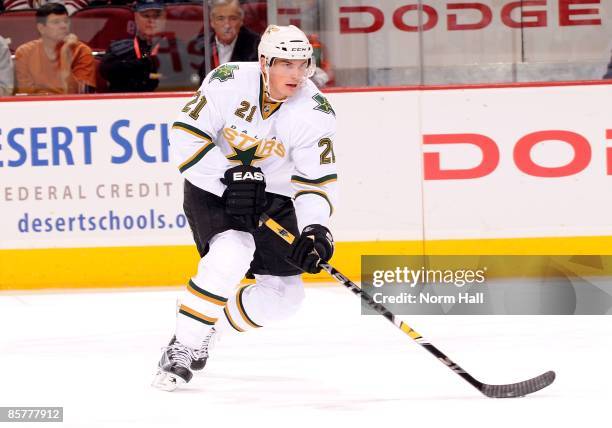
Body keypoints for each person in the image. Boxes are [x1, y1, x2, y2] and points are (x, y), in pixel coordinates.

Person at [152, 24, 338, 391]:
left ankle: (208, 326)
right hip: (214, 186)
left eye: (303, 65)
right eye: (287, 64)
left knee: (285, 298)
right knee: (232, 252)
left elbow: (314, 181)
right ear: (264, 61)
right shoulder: (227, 81)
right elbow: (184, 134)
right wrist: (228, 175)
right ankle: (183, 346)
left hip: (274, 196)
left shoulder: (315, 111)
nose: (297, 75)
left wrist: (316, 229)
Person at [99, 0, 195, 92]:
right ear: (136, 17)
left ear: (164, 18)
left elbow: (181, 76)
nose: (151, 20)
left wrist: (132, 68)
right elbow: (106, 70)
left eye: (156, 16)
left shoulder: (180, 48)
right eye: (145, 15)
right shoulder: (118, 49)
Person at [14, 3, 95, 95]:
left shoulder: (82, 51)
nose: (63, 26)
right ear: (41, 28)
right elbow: (26, 94)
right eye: (56, 22)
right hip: (37, 107)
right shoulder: (25, 52)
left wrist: (65, 56)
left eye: (66, 21)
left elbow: (80, 94)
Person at [197, 0, 260, 83]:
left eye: (233, 18)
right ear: (212, 22)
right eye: (220, 19)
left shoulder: (255, 45)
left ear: (241, 21)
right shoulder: (200, 45)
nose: (227, 25)